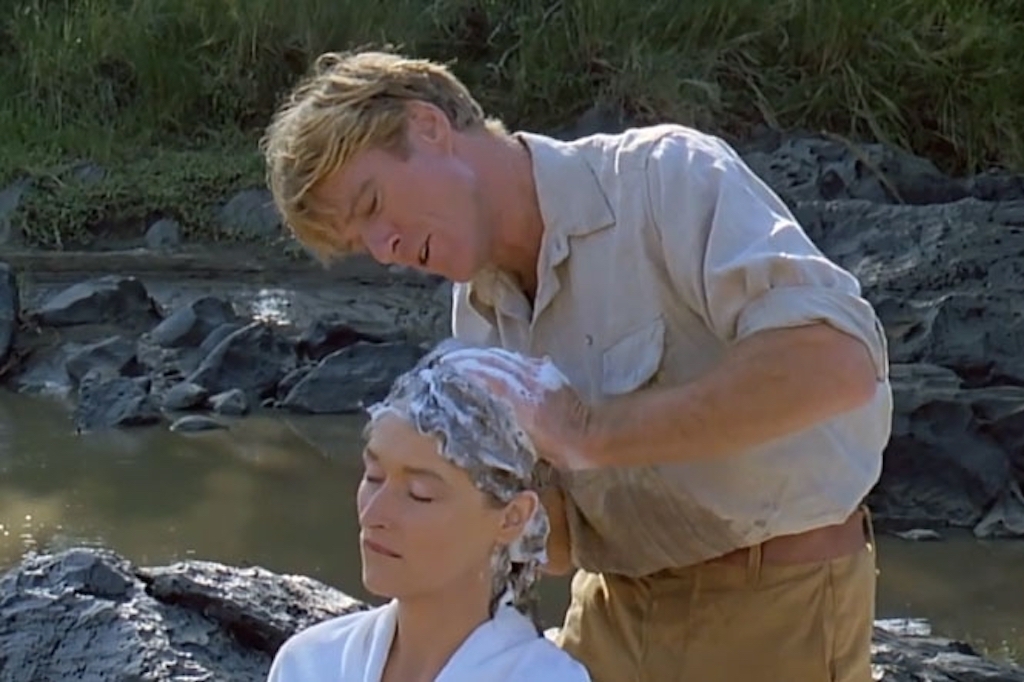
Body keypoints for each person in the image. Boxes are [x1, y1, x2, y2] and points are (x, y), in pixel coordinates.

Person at [261, 49, 893, 682]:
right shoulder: (477, 316)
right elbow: (550, 539)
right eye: (359, 245)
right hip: (608, 609)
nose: (384, 249)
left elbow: (838, 362)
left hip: (778, 605)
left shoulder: (665, 179)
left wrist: (588, 431)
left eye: (372, 206)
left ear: (428, 127)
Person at [265, 340, 592, 682]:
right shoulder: (309, 663)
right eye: (374, 477)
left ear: (512, 517)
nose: (373, 514)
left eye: (419, 495)